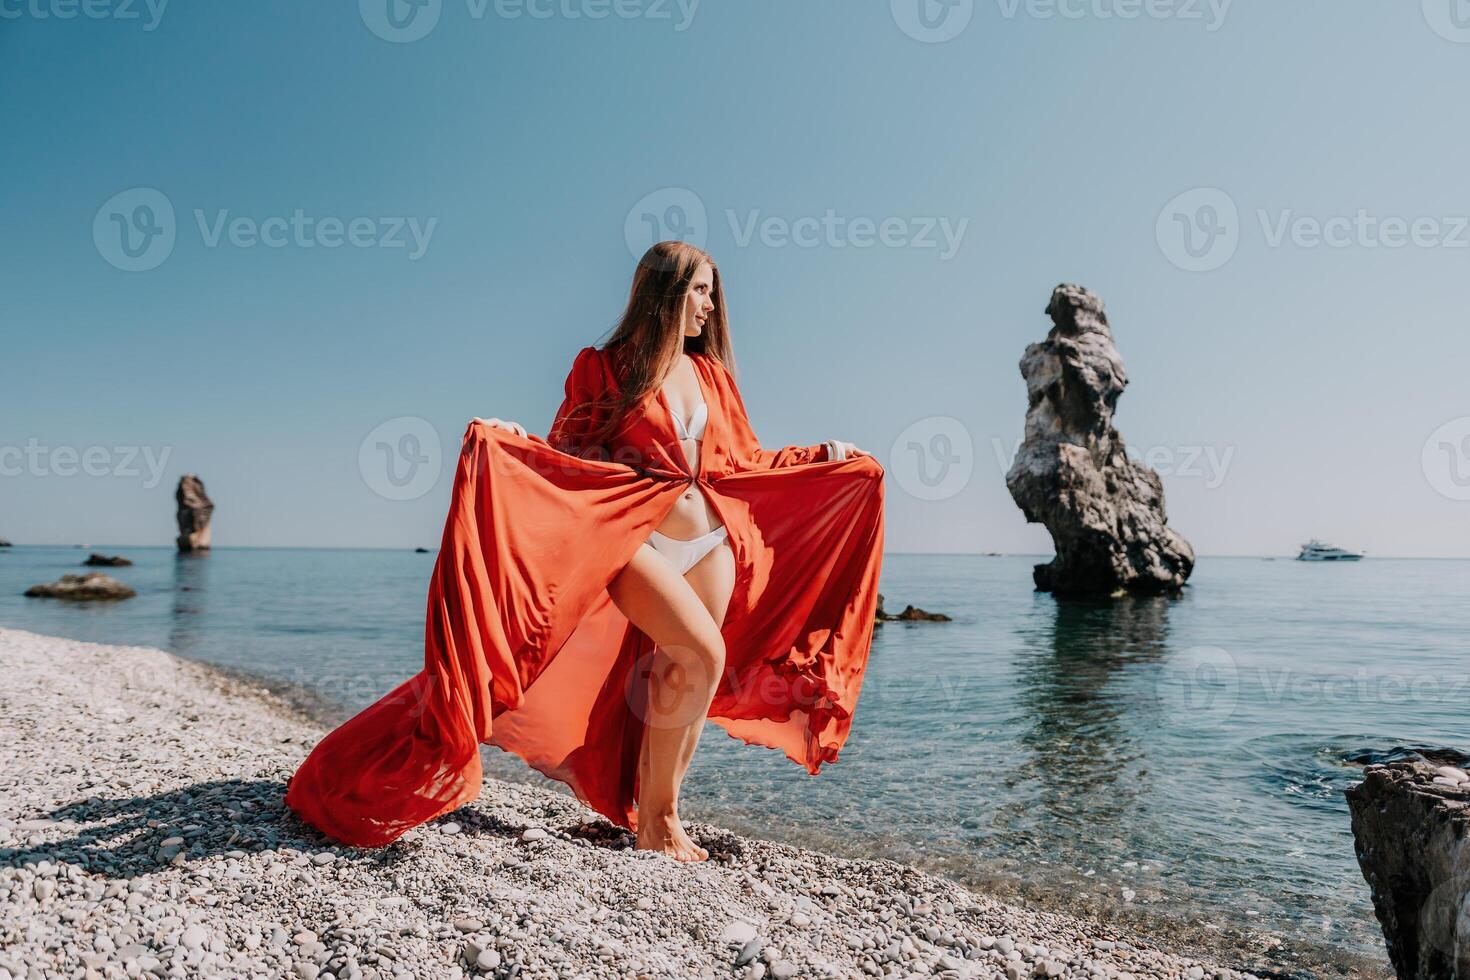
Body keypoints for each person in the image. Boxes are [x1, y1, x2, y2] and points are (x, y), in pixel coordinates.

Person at [285, 241, 886, 863]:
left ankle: (657, 812)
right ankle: (659, 822)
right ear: (665, 291)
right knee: (702, 653)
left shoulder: (713, 377)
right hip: (634, 537)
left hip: (715, 540)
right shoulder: (603, 366)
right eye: (701, 290)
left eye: (714, 292)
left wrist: (821, 456)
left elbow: (743, 460)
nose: (711, 306)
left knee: (684, 682)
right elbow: (572, 452)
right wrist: (515, 445)